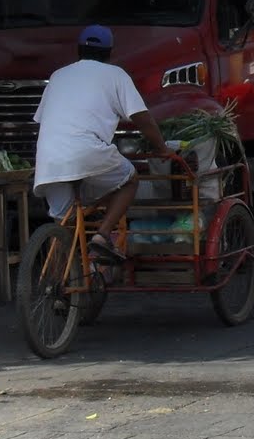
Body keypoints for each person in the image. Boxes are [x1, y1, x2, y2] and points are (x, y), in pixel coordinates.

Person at [32, 25, 170, 266]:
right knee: (129, 179)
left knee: (64, 223)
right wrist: (161, 148)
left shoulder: (58, 75)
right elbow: (142, 118)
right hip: (87, 152)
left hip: (48, 159)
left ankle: (58, 280)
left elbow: (43, 119)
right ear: (110, 53)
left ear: (78, 50)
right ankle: (102, 235)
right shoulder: (115, 75)